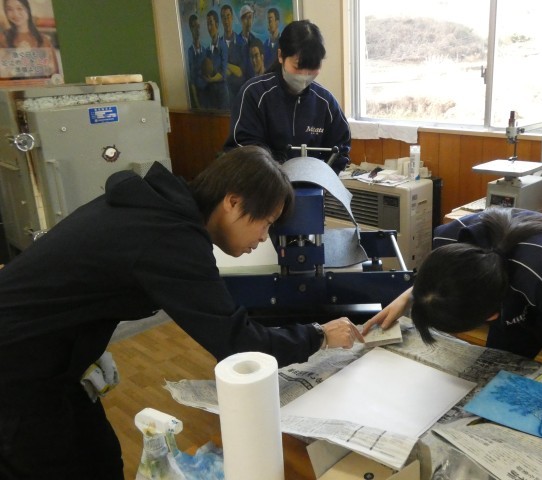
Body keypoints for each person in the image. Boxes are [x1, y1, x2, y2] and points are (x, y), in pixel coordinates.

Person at [0, 146, 363, 478]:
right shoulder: (170, 238)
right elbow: (238, 343)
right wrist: (319, 336)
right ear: (233, 202)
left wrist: (84, 343)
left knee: (101, 458)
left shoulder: (161, 207)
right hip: (18, 367)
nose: (263, 237)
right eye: (265, 223)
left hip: (54, 355)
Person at [363, 208, 542, 397]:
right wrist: (409, 297)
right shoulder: (451, 237)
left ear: (493, 316)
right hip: (530, 279)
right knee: (497, 372)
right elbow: (443, 277)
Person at [224, 19, 351, 174]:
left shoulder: (326, 103)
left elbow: (340, 150)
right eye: (298, 67)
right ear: (280, 56)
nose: (304, 75)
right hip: (262, 184)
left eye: (312, 67)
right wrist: (280, 175)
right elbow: (243, 149)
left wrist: (323, 177)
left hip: (312, 184)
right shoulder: (254, 94)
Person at [0, 0, 59, 78]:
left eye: (19, 8)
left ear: (27, 10)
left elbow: (55, 74)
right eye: (9, 9)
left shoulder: (44, 39)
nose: (15, 14)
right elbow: (2, 74)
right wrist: (17, 54)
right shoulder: (3, 38)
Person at [203, 9, 229, 109]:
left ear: (217, 25)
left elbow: (223, 74)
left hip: (222, 92)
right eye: (207, 24)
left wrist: (211, 79)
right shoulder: (207, 50)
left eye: (211, 23)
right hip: (211, 92)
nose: (209, 28)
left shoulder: (223, 46)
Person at [220, 3, 245, 102]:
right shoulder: (218, 44)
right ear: (221, 20)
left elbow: (240, 72)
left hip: (239, 95)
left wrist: (224, 64)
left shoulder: (242, 43)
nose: (226, 20)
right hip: (222, 98)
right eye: (223, 17)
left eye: (228, 16)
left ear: (232, 18)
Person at [186, 13, 207, 109]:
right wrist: (197, 104)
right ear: (191, 29)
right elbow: (192, 80)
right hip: (196, 97)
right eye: (194, 26)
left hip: (207, 95)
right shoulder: (189, 52)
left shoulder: (205, 51)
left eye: (198, 26)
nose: (197, 29)